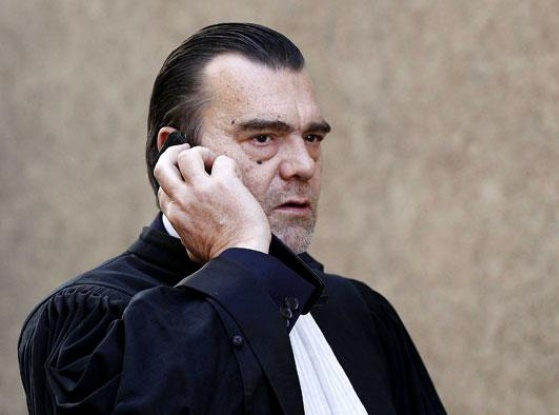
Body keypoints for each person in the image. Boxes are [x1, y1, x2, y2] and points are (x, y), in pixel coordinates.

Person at [18, 23, 447, 414]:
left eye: (312, 137)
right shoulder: (91, 318)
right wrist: (241, 256)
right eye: (263, 137)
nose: (303, 165)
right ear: (177, 154)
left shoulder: (359, 313)